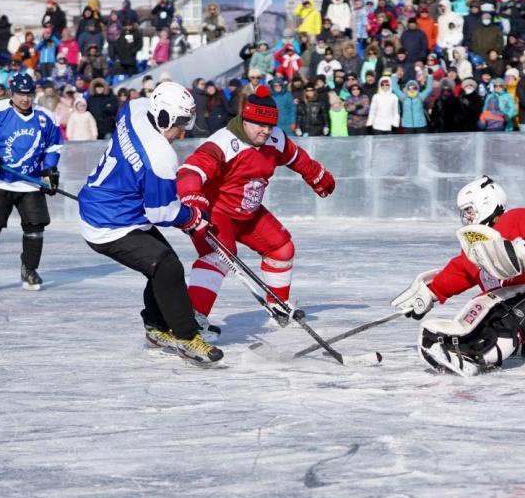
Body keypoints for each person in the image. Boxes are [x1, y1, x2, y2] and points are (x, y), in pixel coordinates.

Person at [390, 176, 525, 376]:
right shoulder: (478, 245)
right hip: (519, 300)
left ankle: (474, 357)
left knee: (505, 322)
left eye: (469, 210)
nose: (466, 218)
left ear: (486, 203)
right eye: (463, 213)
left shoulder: (517, 218)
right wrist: (431, 292)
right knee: (500, 332)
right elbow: (461, 270)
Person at [78, 83, 222, 364]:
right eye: (180, 125)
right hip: (109, 224)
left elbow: (139, 104)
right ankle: (186, 337)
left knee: (162, 268)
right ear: (164, 116)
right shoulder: (160, 155)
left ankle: (156, 327)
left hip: (114, 208)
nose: (182, 133)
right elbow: (162, 213)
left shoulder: (135, 109)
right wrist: (193, 217)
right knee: (167, 266)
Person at [176, 88, 336, 329]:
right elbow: (190, 172)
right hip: (216, 213)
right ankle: (191, 321)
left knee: (281, 248)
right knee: (218, 256)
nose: (266, 131)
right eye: (260, 125)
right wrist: (192, 202)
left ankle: (278, 304)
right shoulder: (223, 143)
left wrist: (317, 176)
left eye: (270, 125)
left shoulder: (275, 138)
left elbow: (297, 157)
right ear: (245, 118)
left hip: (248, 212)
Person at [0, 73, 64, 293]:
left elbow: (53, 147)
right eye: (20, 94)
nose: (25, 99)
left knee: (35, 228)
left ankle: (30, 269)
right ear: (12, 93)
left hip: (30, 182)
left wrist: (49, 171)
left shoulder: (46, 117)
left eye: (29, 94)